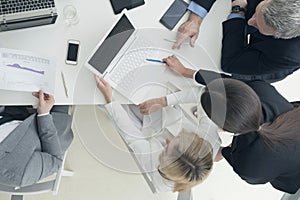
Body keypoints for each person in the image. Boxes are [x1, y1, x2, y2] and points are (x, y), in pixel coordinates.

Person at [140, 55, 300, 194]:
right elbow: (227, 85)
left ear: (222, 129)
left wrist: (212, 152)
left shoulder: (250, 165)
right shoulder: (261, 90)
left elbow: (225, 155)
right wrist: (186, 72)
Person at [95, 76, 219, 192]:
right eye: (179, 138)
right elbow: (204, 93)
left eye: (165, 150)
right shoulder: (209, 136)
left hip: (144, 134)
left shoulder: (160, 175)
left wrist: (110, 100)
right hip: (166, 114)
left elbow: (133, 137)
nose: (168, 141)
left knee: (102, 97)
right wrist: (165, 101)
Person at [173, 0, 300, 82]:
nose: (250, 21)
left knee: (234, 80)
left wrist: (238, 12)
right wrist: (195, 19)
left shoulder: (288, 54)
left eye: (257, 24)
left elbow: (232, 62)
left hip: (270, 61)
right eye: (256, 14)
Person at [0, 90, 73, 187]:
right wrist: (44, 114)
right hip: (47, 124)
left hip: (9, 112)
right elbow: (56, 161)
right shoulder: (19, 174)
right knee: (62, 87)